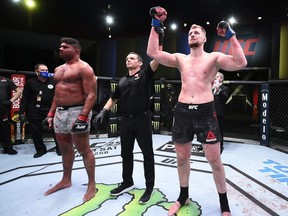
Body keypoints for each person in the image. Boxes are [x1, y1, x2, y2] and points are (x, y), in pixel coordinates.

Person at [147, 6, 247, 216]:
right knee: (182, 158)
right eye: (190, 32)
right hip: (183, 111)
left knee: (214, 160)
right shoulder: (180, 59)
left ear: (203, 38)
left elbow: (240, 62)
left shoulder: (214, 58)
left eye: (197, 32)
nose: (192, 34)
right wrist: (156, 24)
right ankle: (183, 196)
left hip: (205, 112)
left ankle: (224, 202)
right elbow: (153, 53)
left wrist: (230, 35)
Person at [93, 49, 162, 203]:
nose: (128, 60)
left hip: (142, 120)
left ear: (140, 62)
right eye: (126, 58)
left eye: (132, 58)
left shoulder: (145, 75)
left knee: (147, 155)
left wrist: (159, 37)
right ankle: (127, 182)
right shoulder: (122, 80)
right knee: (126, 153)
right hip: (126, 121)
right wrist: (103, 111)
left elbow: (157, 58)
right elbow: (113, 98)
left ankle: (149, 187)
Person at [43, 37, 97, 202]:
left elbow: (91, 95)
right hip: (60, 112)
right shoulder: (58, 69)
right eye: (60, 46)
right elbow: (57, 95)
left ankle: (92, 185)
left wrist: (82, 117)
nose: (61, 49)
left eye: (65, 47)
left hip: (77, 110)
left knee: (84, 150)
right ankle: (66, 180)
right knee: (65, 149)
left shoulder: (84, 68)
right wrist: (50, 114)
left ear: (76, 50)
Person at [19, 63, 61, 158]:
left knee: (56, 129)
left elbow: (58, 96)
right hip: (34, 109)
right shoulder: (30, 83)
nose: (45, 72)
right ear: (36, 72)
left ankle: (59, 148)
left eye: (46, 70)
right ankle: (41, 149)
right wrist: (22, 111)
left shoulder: (53, 82)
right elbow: (25, 98)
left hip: (50, 109)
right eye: (42, 70)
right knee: (35, 130)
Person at [0, 75, 22, 155]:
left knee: (4, 128)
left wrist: (11, 101)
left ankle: (8, 148)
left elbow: (19, 91)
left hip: (2, 108)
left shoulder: (6, 80)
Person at [213, 72, 230, 153]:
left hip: (219, 111)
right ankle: (208, 144)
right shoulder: (210, 87)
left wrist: (218, 90)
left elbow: (225, 98)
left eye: (217, 77)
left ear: (221, 79)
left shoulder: (224, 88)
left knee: (219, 128)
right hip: (209, 111)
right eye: (214, 77)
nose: (215, 78)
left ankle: (220, 145)